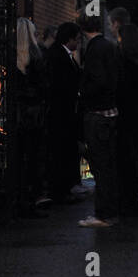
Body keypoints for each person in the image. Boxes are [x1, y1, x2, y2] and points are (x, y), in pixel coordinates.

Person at [78, 11, 120, 229]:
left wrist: (84, 95)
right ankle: (110, 211)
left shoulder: (94, 50)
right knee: (107, 166)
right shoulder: (108, 47)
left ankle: (103, 213)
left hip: (97, 114)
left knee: (100, 166)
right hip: (110, 113)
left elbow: (97, 81)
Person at [113, 9, 138, 219]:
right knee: (133, 161)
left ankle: (126, 204)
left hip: (124, 117)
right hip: (137, 117)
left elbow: (119, 90)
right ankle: (133, 203)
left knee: (124, 162)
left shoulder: (123, 63)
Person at [46, 20, 82, 203]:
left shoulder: (61, 54)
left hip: (65, 112)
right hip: (61, 113)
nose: (78, 43)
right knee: (61, 152)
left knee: (64, 151)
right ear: (69, 39)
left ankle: (64, 187)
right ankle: (61, 190)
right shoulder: (58, 57)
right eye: (76, 39)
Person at [16, 17, 48, 218]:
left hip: (19, 113)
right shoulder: (37, 55)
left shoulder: (13, 56)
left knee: (21, 157)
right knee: (35, 156)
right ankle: (33, 196)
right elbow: (44, 86)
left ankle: (20, 198)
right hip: (35, 113)